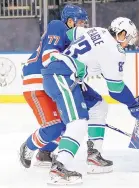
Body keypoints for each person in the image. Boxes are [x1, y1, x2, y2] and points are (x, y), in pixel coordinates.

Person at [41, 17, 139, 184]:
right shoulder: (115, 51)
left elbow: (69, 34)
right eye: (128, 39)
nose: (128, 44)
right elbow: (116, 89)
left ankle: (94, 157)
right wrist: (133, 104)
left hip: (66, 75)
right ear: (121, 34)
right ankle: (59, 167)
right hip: (62, 76)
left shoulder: (98, 30)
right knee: (78, 123)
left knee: (99, 106)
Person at [20, 4, 89, 169]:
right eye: (81, 23)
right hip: (36, 81)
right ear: (70, 21)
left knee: (67, 125)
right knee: (54, 127)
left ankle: (45, 153)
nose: (83, 27)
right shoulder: (58, 26)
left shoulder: (72, 40)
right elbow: (48, 57)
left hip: (51, 81)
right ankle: (28, 147)